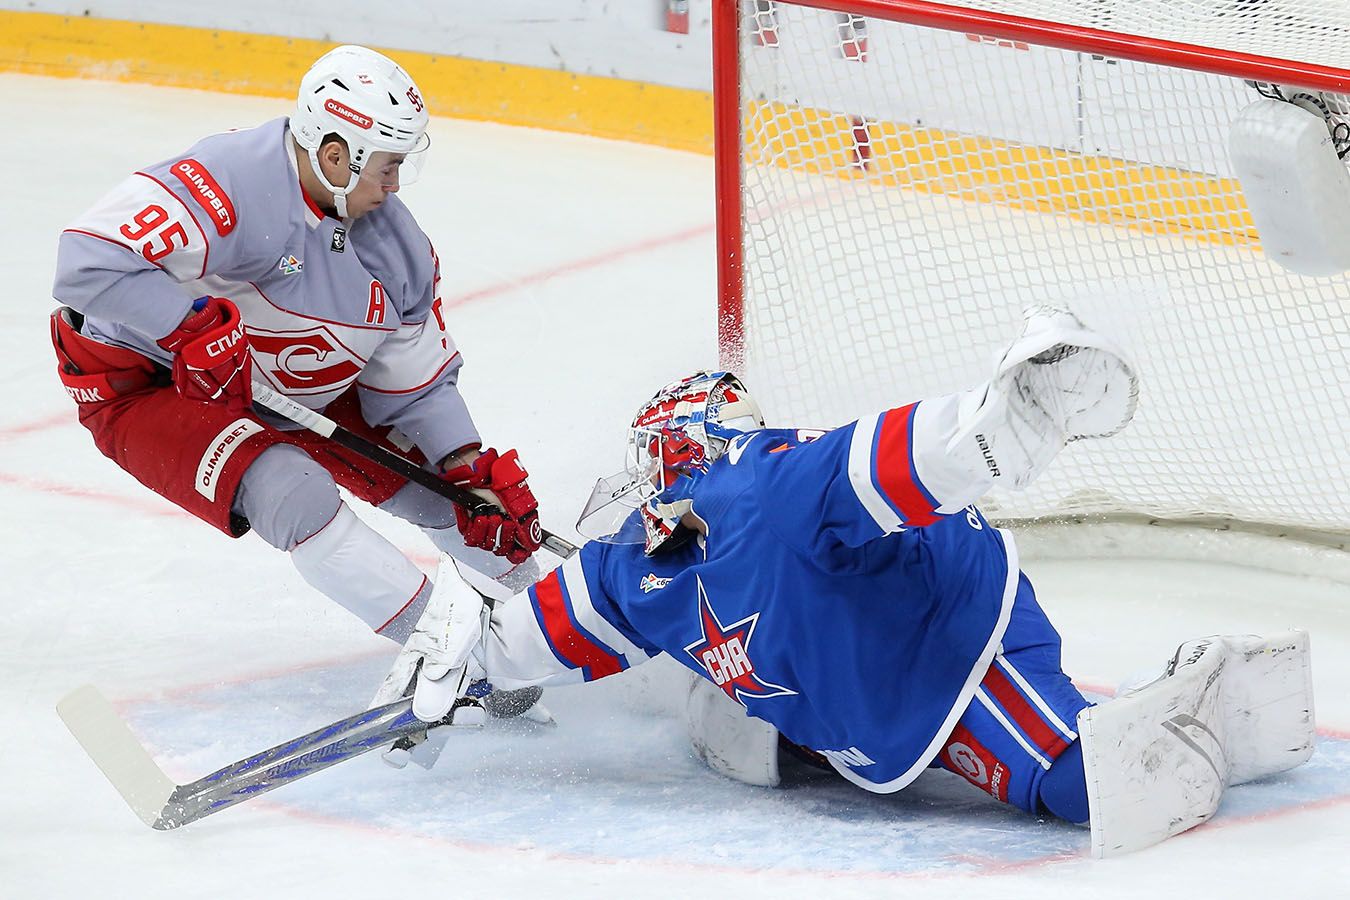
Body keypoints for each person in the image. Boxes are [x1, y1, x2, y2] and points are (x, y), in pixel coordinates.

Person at [381, 306, 1315, 856]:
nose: (641, 482)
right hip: (878, 713)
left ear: (682, 447)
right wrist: (468, 666)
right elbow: (554, 623)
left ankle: (1205, 691)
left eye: (652, 459)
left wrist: (1001, 423)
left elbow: (895, 458)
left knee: (1093, 788)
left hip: (955, 650)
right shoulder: (639, 566)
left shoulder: (771, 487)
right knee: (730, 729)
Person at [50, 45, 544, 645]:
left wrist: (463, 462)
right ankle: (450, 654)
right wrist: (187, 326)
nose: (394, 185)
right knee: (293, 491)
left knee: (446, 494)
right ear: (336, 156)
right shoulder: (228, 181)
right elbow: (86, 263)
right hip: (150, 382)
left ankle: (544, 633)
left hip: (280, 377)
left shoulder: (396, 248)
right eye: (387, 166)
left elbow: (416, 382)